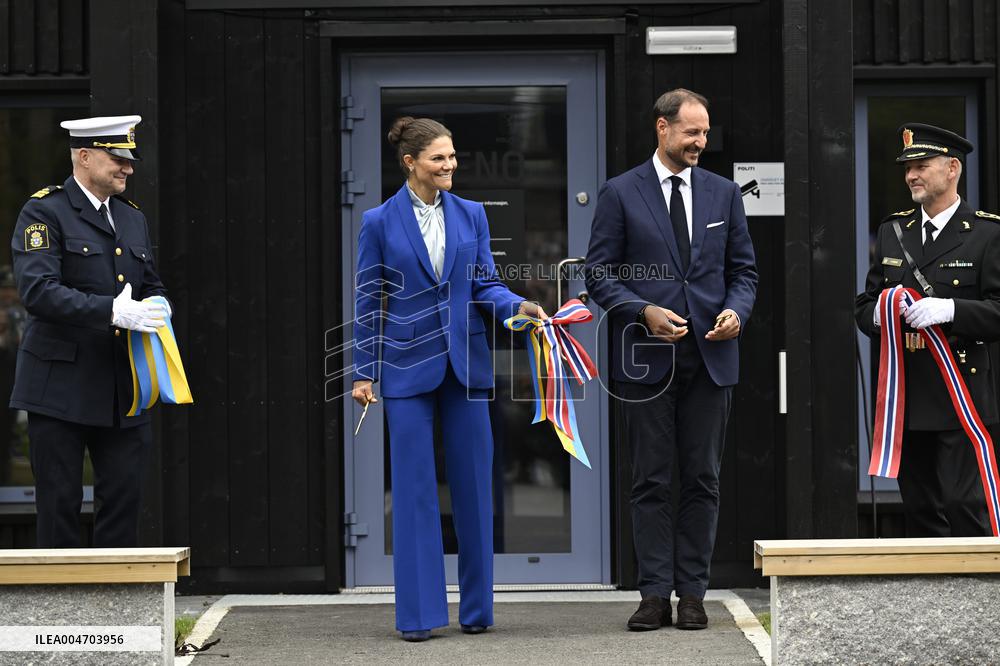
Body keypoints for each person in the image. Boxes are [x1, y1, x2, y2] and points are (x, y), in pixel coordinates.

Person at [352, 116, 546, 642]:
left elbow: (485, 283)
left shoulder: (473, 214)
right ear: (410, 162)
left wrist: (518, 306)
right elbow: (369, 299)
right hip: (406, 368)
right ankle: (417, 617)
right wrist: (364, 371)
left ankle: (478, 612)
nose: (451, 165)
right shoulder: (378, 221)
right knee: (415, 492)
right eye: (439, 158)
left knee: (475, 490)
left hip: (467, 366)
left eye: (453, 156)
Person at [584, 89, 757, 631]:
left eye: (705, 133)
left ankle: (693, 595)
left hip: (712, 356)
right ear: (662, 128)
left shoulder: (724, 194)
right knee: (651, 479)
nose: (700, 142)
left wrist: (736, 312)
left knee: (702, 478)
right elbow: (598, 273)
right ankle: (654, 593)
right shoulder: (619, 192)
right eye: (691, 132)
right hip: (645, 359)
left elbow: (744, 273)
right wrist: (642, 310)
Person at [10, 115, 170, 548]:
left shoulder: (131, 218)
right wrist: (111, 312)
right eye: (117, 158)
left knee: (124, 500)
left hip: (122, 387)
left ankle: (116, 607)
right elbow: (39, 292)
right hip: (60, 386)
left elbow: (149, 283)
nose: (128, 168)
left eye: (129, 160)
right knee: (59, 504)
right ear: (84, 156)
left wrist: (158, 305)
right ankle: (58, 610)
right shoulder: (44, 211)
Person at [855, 123, 1000, 537]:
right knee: (920, 510)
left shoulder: (988, 234)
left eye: (922, 165)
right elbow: (865, 304)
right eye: (907, 168)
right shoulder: (893, 230)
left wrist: (950, 309)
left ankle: (979, 600)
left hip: (962, 397)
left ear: (952, 168)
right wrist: (883, 314)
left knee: (964, 506)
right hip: (908, 394)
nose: (911, 176)